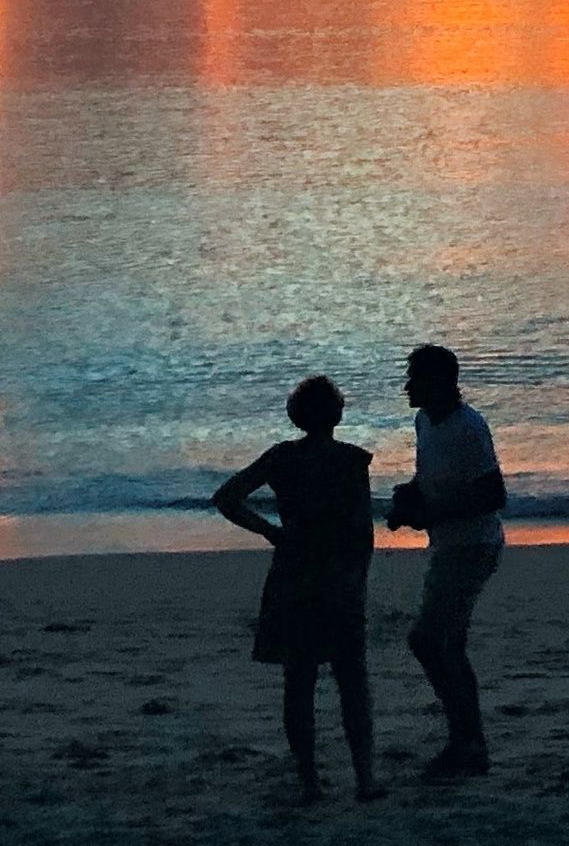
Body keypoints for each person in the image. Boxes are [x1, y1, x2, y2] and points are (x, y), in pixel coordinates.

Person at [213, 375, 378, 800]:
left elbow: (227, 497)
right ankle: (364, 778)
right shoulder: (351, 460)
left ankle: (309, 780)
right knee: (351, 679)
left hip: (294, 572)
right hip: (338, 574)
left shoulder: (282, 458)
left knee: (299, 681)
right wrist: (358, 574)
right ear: (337, 415)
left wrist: (271, 532)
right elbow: (362, 530)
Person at [389, 342, 508, 780]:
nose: (407, 387)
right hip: (450, 545)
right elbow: (432, 478)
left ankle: (466, 741)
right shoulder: (425, 421)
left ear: (439, 382)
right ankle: (468, 741)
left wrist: (430, 515)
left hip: (472, 546)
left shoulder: (468, 428)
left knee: (428, 641)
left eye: (415, 379)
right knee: (448, 645)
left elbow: (492, 494)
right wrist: (410, 497)